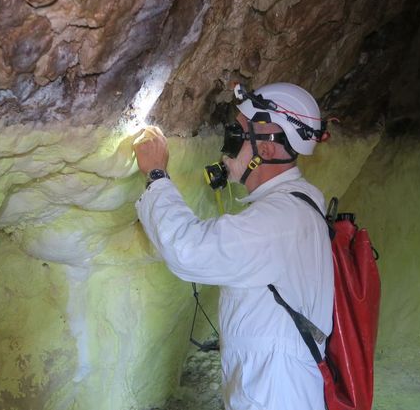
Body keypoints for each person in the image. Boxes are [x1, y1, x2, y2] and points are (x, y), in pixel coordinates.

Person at [133, 82, 334, 410]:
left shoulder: (277, 222)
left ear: (266, 149)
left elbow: (189, 250)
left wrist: (156, 175)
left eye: (236, 135)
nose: (227, 146)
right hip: (284, 382)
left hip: (273, 393)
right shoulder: (302, 202)